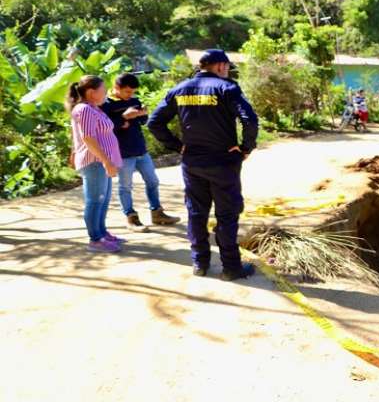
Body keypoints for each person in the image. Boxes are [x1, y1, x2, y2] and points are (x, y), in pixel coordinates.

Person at [147, 49, 258, 281]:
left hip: (192, 163)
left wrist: (178, 146)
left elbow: (154, 122)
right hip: (223, 162)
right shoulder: (227, 88)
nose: (228, 70)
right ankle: (231, 268)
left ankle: (200, 264)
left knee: (196, 213)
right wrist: (245, 148)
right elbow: (249, 119)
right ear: (219, 66)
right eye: (227, 66)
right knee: (227, 214)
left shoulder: (179, 89)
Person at [101, 73, 180, 232]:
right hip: (122, 153)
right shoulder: (106, 104)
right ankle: (131, 217)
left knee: (153, 182)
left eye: (133, 92)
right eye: (127, 92)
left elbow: (143, 121)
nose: (130, 95)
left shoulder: (134, 101)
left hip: (141, 150)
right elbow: (105, 126)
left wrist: (142, 114)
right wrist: (123, 117)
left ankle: (157, 213)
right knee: (125, 187)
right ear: (116, 88)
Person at [67, 75, 125, 253]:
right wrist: (106, 160)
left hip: (102, 162)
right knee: (95, 201)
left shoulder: (94, 109)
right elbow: (87, 137)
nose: (106, 92)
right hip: (95, 162)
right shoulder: (84, 109)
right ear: (92, 92)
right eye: (103, 89)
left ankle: (101, 232)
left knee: (103, 200)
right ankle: (95, 240)